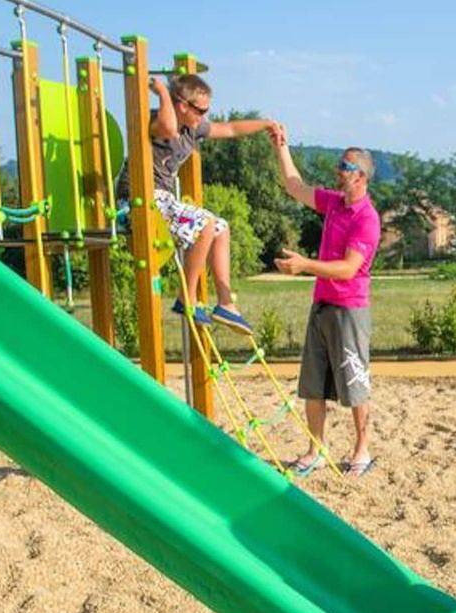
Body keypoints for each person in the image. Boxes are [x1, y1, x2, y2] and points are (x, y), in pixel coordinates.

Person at [268, 125, 380, 478]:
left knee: (355, 383)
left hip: (349, 309)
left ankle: (362, 450)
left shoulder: (367, 218)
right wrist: (281, 146)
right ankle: (315, 449)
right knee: (312, 384)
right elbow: (294, 185)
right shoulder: (333, 202)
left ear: (361, 177)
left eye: (345, 167)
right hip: (322, 305)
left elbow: (348, 269)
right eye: (339, 165)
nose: (339, 171)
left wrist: (304, 266)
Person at [150, 73, 274, 335]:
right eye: (201, 110)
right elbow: (169, 129)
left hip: (165, 199)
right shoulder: (157, 119)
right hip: (145, 199)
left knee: (220, 227)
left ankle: (226, 303)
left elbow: (229, 129)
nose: (205, 116)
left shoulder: (192, 127)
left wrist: (266, 123)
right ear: (182, 105)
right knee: (205, 223)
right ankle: (187, 297)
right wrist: (162, 92)